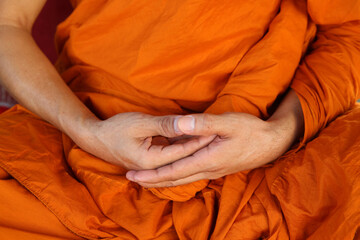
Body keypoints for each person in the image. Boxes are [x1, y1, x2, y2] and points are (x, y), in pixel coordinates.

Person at [0, 0, 359, 239]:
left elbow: (350, 32)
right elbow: (6, 23)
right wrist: (87, 130)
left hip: (260, 151)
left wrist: (278, 135)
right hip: (77, 136)